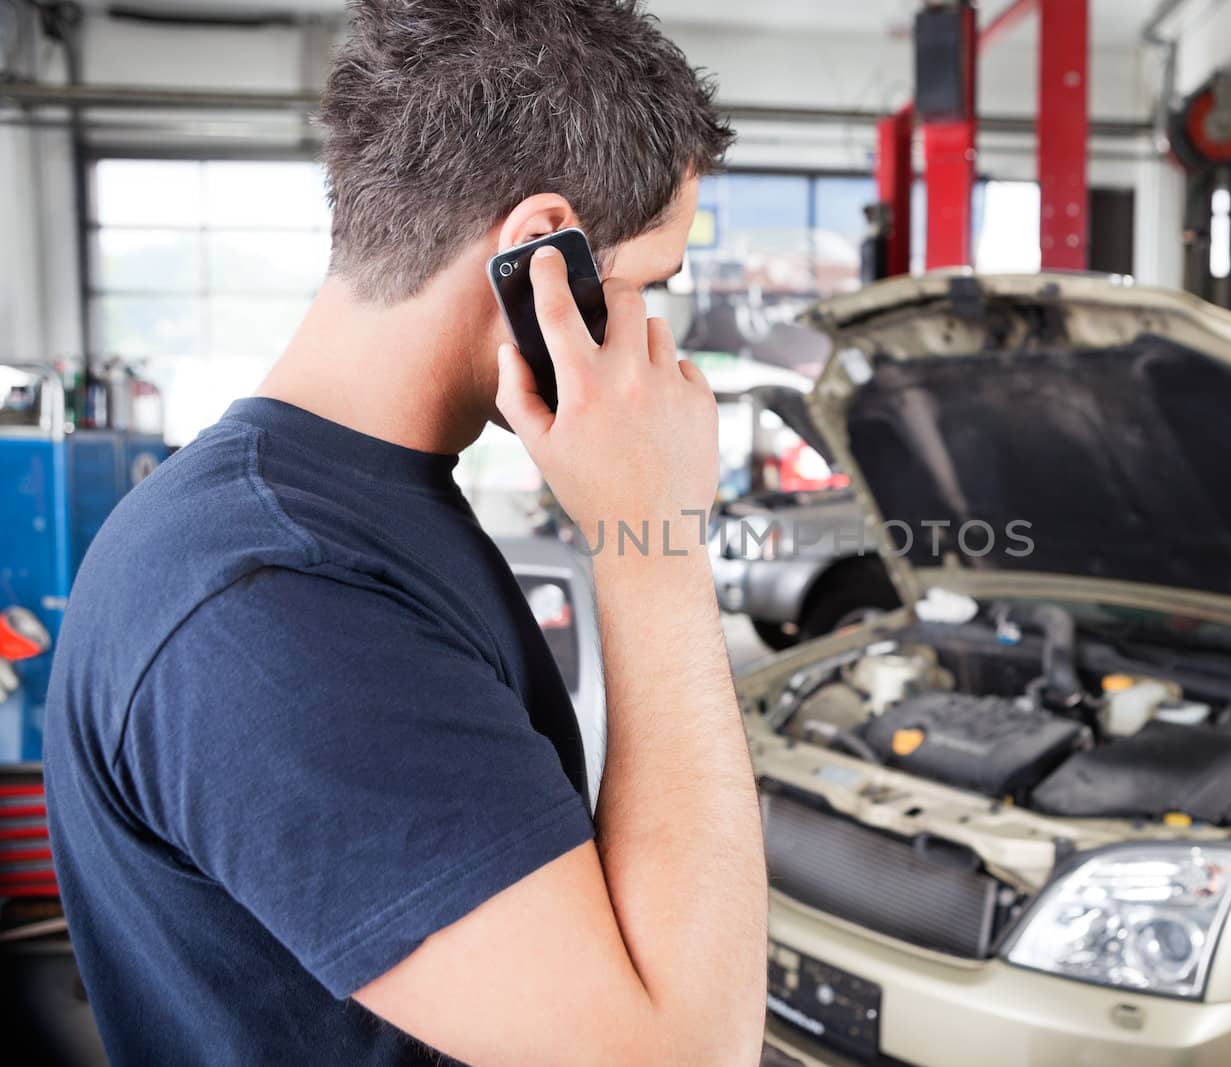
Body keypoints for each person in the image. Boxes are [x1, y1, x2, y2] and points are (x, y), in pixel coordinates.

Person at [43, 2, 767, 1064]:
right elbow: (685, 1053)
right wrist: (654, 542)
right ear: (541, 256)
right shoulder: (276, 600)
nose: (658, 339)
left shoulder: (330, 510)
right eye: (649, 287)